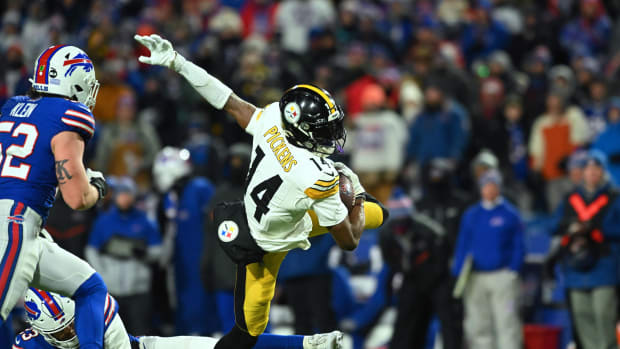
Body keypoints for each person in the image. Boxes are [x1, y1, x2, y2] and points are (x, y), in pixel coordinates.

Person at [134, 34, 387, 349]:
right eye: (323, 129)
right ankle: (149, 346)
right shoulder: (315, 175)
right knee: (242, 340)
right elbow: (348, 241)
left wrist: (179, 63)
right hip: (267, 243)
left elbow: (225, 98)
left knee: (243, 337)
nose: (331, 135)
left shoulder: (273, 121)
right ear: (302, 129)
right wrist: (358, 198)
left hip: (275, 214)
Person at [0, 45, 110, 349]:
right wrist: (97, 186)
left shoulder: (13, 105)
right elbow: (76, 198)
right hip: (14, 221)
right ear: (74, 82)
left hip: (24, 226)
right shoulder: (70, 114)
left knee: (89, 287)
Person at [14, 288, 344, 349]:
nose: (73, 330)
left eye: (73, 322)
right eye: (64, 330)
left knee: (223, 348)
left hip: (140, 348)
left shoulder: (95, 305)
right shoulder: (28, 345)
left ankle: (309, 344)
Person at [552, 150, 620, 349]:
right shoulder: (571, 198)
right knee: (582, 317)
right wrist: (570, 225)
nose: (592, 173)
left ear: (603, 172)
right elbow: (553, 225)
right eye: (588, 169)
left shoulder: (614, 197)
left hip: (605, 264)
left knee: (603, 315)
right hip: (576, 266)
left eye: (596, 168)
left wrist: (597, 228)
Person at [452, 169, 525, 349]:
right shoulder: (471, 214)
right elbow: (463, 244)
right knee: (478, 325)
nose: (490, 190)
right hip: (475, 276)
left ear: (499, 188)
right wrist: (458, 271)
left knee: (506, 323)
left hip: (502, 276)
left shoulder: (510, 214)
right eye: (486, 186)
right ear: (481, 188)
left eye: (493, 186)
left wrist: (513, 270)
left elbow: (519, 245)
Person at [85, 176, 162, 335]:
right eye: (121, 194)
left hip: (138, 289)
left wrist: (145, 254)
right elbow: (91, 251)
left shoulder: (145, 220)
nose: (125, 198)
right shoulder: (104, 221)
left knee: (140, 333)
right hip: (112, 289)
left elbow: (158, 250)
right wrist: (103, 276)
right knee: (113, 335)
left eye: (128, 194)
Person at [152, 146, 216, 335]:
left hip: (200, 260)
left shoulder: (199, 189)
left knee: (202, 312)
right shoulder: (171, 197)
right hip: (181, 264)